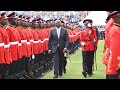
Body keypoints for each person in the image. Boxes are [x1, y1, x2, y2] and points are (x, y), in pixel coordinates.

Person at [105, 11, 120, 79]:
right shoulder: (116, 31)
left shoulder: (115, 29)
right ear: (118, 18)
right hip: (115, 67)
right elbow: (115, 50)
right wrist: (118, 66)